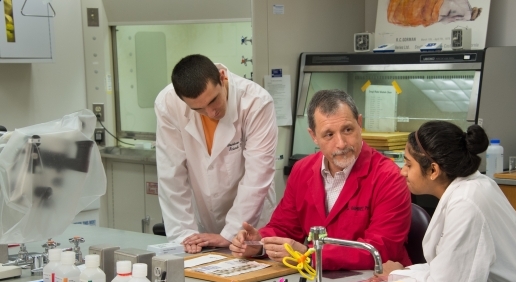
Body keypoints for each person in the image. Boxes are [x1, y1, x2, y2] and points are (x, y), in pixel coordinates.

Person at [230, 89, 412, 270]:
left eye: (347, 130)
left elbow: (379, 249)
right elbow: (284, 227)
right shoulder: (302, 170)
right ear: (313, 136)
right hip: (319, 279)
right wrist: (258, 242)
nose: (341, 143)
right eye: (329, 134)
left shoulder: (389, 177)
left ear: (359, 123)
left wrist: (310, 254)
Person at [382, 121, 516, 282]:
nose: (402, 172)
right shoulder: (472, 186)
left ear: (433, 170)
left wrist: (398, 276)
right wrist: (405, 271)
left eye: (409, 165)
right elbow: (449, 266)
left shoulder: (466, 202)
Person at [155, 54, 278, 253]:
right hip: (203, 224)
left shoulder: (256, 102)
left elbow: (258, 175)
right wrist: (184, 236)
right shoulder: (168, 103)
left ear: (222, 77)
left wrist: (230, 233)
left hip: (250, 222)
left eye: (214, 101)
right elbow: (171, 174)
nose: (211, 112)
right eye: (199, 109)